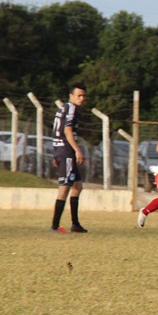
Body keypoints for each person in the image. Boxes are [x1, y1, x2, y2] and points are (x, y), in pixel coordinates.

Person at [50, 83, 88, 233]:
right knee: (64, 188)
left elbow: (56, 130)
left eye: (84, 95)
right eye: (79, 95)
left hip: (62, 150)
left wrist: (56, 153)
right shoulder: (71, 109)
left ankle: (75, 224)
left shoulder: (64, 108)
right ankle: (54, 226)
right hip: (66, 150)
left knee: (77, 186)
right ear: (71, 96)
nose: (82, 98)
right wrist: (77, 150)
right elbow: (67, 130)